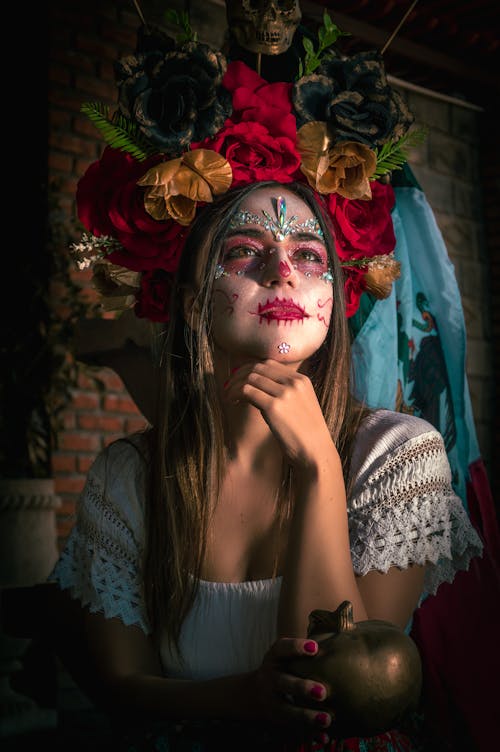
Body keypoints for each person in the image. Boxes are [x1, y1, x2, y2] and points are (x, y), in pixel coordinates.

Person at [48, 178, 483, 752]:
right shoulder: (127, 476)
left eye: (308, 254)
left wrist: (321, 469)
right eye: (244, 251)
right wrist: (240, 698)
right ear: (189, 301)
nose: (283, 272)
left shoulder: (398, 456)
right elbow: (121, 685)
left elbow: (336, 691)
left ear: (335, 299)